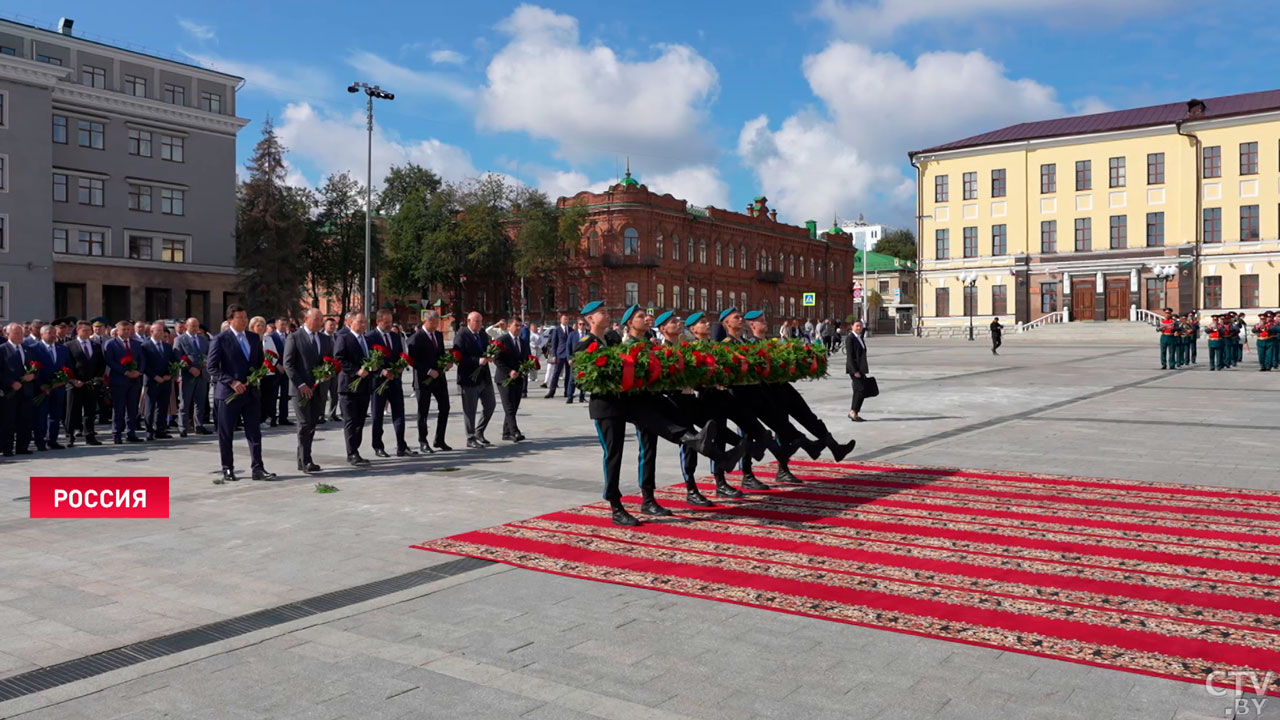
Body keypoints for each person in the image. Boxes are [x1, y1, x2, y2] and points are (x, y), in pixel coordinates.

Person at [207, 305, 277, 483]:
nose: (244, 321)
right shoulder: (220, 339)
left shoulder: (253, 338)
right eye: (240, 318)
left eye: (246, 317)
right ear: (230, 320)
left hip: (251, 393)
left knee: (254, 432)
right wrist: (232, 381)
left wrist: (258, 375)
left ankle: (258, 468)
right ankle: (228, 468)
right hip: (229, 394)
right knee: (226, 433)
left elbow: (259, 363)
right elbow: (212, 367)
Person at [284, 308, 333, 473]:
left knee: (311, 424)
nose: (320, 322)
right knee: (304, 424)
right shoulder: (295, 337)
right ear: (306, 319)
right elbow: (288, 364)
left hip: (318, 389)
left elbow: (330, 361)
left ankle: (303, 458)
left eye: (321, 319)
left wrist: (328, 374)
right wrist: (301, 384)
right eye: (317, 319)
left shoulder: (325, 339)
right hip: (300, 390)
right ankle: (306, 460)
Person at [367, 309, 417, 458]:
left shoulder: (395, 337)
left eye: (390, 322)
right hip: (378, 382)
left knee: (399, 413)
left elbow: (400, 355)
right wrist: (382, 371)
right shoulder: (370, 337)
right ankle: (378, 446)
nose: (389, 325)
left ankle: (401, 445)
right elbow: (369, 360)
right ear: (378, 322)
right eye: (386, 323)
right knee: (378, 416)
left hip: (395, 381)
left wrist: (399, 368)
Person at [407, 310, 452, 454]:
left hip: (439, 378)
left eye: (437, 322)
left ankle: (440, 439)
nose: (436, 325)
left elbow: (440, 354)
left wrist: (446, 363)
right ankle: (423, 441)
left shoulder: (438, 335)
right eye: (434, 322)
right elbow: (413, 360)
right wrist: (427, 371)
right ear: (426, 321)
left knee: (445, 407)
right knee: (423, 412)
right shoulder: (416, 338)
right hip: (423, 380)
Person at [334, 311, 374, 466]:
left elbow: (370, 358)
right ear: (350, 323)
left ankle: (355, 450)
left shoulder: (367, 340)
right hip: (348, 387)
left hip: (364, 387)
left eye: (364, 322)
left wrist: (373, 367)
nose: (363, 325)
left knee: (360, 421)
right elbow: (339, 358)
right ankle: (351, 453)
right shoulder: (343, 338)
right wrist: (357, 370)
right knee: (351, 421)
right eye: (359, 322)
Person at [454, 311, 497, 449]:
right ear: (469, 321)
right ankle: (470, 437)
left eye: (481, 321)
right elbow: (459, 357)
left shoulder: (483, 334)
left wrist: (490, 355)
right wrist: (477, 361)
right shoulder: (461, 335)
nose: (480, 324)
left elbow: (487, 348)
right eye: (477, 321)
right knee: (470, 409)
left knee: (490, 405)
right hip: (469, 378)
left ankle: (479, 432)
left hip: (484, 377)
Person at [103, 321, 146, 445]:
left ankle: (131, 432)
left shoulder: (137, 344)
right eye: (124, 329)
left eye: (129, 329)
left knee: (132, 408)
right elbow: (110, 361)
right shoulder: (111, 344)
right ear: (117, 330)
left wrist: (139, 371)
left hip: (134, 380)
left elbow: (142, 359)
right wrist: (125, 372)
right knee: (119, 408)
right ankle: (116, 433)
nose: (127, 332)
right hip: (119, 380)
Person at [0, 322, 38, 456]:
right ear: (7, 334)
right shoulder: (2, 349)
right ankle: (7, 448)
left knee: (25, 420)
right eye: (16, 333)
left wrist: (33, 376)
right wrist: (10, 382)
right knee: (8, 421)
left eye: (21, 333)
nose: (19, 336)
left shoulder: (28, 349)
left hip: (26, 391)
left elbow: (37, 368)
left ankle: (23, 446)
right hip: (10, 392)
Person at [65, 321, 106, 446]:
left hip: (90, 383)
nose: (88, 333)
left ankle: (89, 435)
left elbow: (101, 364)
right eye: (85, 330)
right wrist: (73, 380)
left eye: (89, 330)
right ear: (78, 331)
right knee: (72, 411)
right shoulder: (69, 345)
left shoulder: (96, 345)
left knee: (90, 411)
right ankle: (70, 436)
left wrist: (96, 378)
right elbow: (67, 364)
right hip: (74, 383)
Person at [175, 317, 212, 437]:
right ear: (186, 326)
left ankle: (199, 425)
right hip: (187, 375)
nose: (195, 328)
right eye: (193, 326)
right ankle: (183, 426)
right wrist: (189, 368)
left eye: (197, 326)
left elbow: (208, 354)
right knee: (185, 402)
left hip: (202, 375)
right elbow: (177, 357)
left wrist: (205, 365)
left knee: (200, 402)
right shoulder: (180, 339)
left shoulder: (203, 339)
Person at [140, 320, 176, 441]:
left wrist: (169, 375)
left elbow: (173, 362)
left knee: (163, 406)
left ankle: (161, 429)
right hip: (152, 380)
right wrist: (155, 376)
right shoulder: (145, 346)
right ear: (152, 332)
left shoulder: (167, 346)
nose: (162, 333)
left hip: (165, 381)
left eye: (162, 331)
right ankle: (149, 430)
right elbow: (144, 365)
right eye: (159, 331)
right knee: (150, 407)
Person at [494, 317, 528, 442]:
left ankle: (506, 432)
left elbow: (525, 358)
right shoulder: (502, 340)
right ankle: (515, 432)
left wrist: (526, 367)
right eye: (516, 325)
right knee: (508, 407)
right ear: (508, 326)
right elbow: (497, 360)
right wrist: (509, 371)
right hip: (504, 379)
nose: (518, 328)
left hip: (518, 378)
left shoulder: (523, 342)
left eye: (520, 326)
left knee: (513, 407)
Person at [266, 317, 293, 426]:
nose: (283, 326)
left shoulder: (290, 337)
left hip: (287, 370)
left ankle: (283, 417)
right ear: (276, 325)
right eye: (281, 324)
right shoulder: (271, 337)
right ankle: (272, 417)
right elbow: (269, 353)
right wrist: (277, 365)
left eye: (285, 324)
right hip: (276, 369)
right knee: (273, 395)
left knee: (285, 395)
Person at [545, 314, 575, 401]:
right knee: (556, 373)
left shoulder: (571, 330)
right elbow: (554, 344)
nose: (566, 320)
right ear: (561, 320)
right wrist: (554, 355)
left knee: (569, 374)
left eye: (567, 319)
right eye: (564, 319)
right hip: (560, 354)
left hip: (569, 355)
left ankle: (567, 392)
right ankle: (551, 391)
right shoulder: (557, 330)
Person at [847, 319, 870, 422]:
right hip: (854, 369)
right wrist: (855, 370)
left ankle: (854, 412)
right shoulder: (850, 338)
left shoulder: (859, 337)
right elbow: (850, 356)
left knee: (859, 390)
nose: (859, 328)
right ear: (852, 326)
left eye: (860, 326)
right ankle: (853, 411)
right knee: (860, 390)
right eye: (857, 326)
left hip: (861, 368)